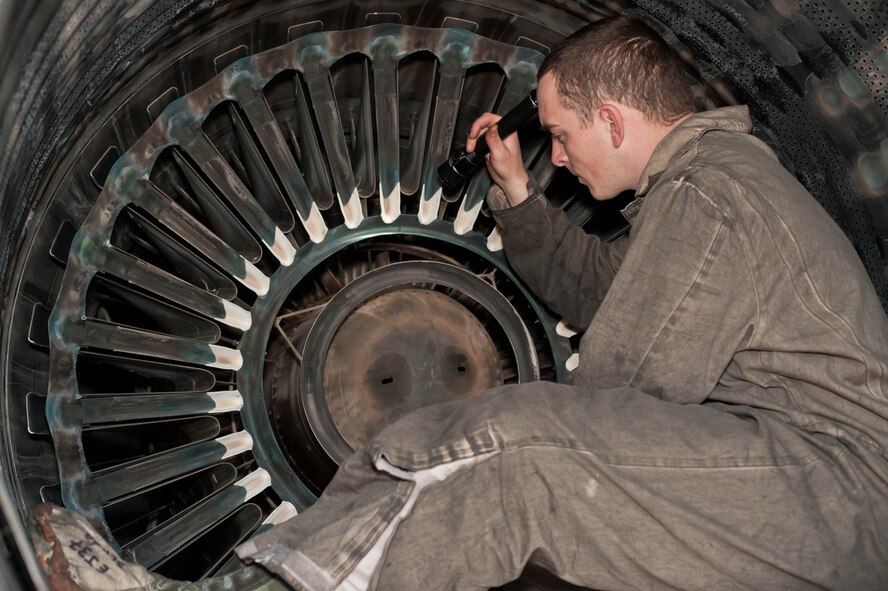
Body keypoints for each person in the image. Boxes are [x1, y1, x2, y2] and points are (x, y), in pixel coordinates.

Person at [34, 15, 888, 591]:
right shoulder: (700, 194)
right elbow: (609, 297)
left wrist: (506, 462)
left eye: (560, 135)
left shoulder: (713, 190)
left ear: (617, 121)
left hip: (832, 485)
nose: (559, 154)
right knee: (450, 446)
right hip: (790, 480)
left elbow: (627, 390)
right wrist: (517, 196)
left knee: (506, 450)